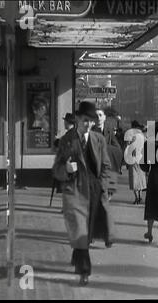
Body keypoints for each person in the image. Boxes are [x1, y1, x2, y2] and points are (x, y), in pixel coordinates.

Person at [52, 101, 116, 286]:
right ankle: (84, 271)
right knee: (80, 229)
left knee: (86, 230)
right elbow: (56, 169)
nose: (88, 124)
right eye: (85, 120)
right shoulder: (67, 140)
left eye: (91, 121)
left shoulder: (99, 140)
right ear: (78, 119)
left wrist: (105, 187)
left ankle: (77, 254)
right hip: (74, 190)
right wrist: (66, 168)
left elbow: (105, 166)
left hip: (95, 190)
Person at [93, 107, 123, 199]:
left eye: (100, 115)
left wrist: (105, 149)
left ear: (105, 117)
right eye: (96, 115)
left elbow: (117, 149)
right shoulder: (89, 131)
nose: (98, 118)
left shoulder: (109, 131)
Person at [125, 120, 147, 204]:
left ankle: (137, 198)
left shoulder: (130, 135)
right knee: (141, 178)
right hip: (141, 159)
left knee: (134, 178)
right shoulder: (142, 136)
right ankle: (140, 197)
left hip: (133, 159)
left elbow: (127, 148)